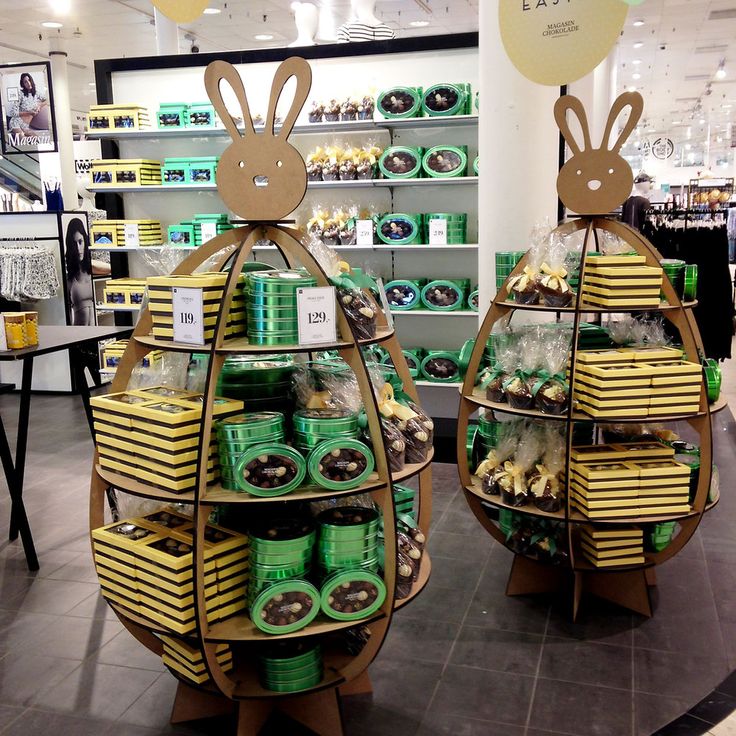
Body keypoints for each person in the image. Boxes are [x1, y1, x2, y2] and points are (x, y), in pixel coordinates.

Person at [65, 217, 109, 326]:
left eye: (80, 242)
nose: (78, 248)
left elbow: (110, 268)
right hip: (79, 335)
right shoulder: (70, 277)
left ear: (85, 240)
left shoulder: (90, 269)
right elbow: (67, 313)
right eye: (74, 244)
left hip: (94, 334)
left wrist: (87, 261)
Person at [8, 72, 48, 140]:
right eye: (25, 82)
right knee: (23, 140)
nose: (28, 83)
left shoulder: (36, 94)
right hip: (16, 123)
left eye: (29, 80)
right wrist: (29, 113)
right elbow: (13, 113)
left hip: (25, 126)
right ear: (23, 84)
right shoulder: (20, 94)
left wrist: (39, 105)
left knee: (37, 139)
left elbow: (47, 100)